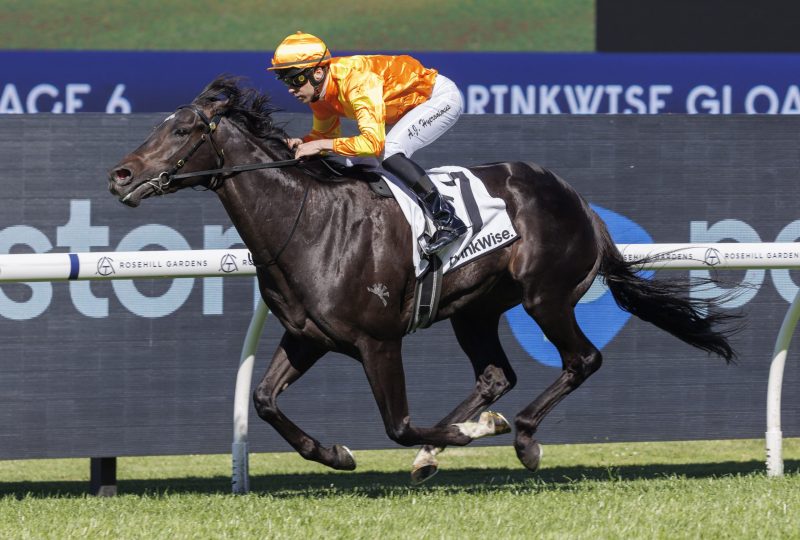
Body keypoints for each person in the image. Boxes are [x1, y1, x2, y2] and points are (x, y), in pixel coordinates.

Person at [268, 31, 467, 255]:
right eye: (285, 80)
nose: (291, 88)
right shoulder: (318, 94)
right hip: (401, 110)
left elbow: (372, 144)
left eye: (296, 79)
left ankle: (447, 220)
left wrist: (319, 145)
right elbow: (325, 135)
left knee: (390, 150)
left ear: (318, 72)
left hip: (438, 98)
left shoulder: (356, 80)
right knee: (357, 164)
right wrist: (302, 143)